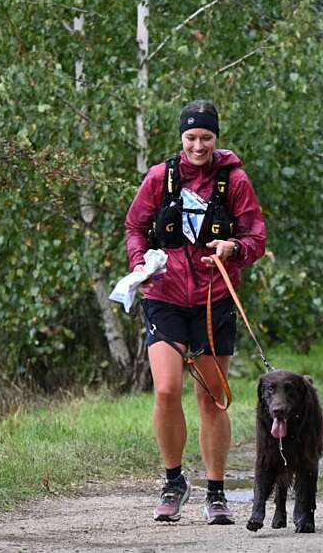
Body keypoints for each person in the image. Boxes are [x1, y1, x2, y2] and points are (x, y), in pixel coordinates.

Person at [124, 99, 266, 525]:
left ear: (216, 138)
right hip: (164, 294)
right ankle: (173, 482)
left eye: (206, 137)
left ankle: (216, 493)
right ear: (181, 137)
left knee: (211, 398)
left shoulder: (234, 180)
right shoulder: (159, 177)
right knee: (166, 389)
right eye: (191, 138)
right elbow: (134, 226)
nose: (199, 146)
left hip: (214, 297)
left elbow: (255, 236)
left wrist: (233, 248)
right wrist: (139, 266)